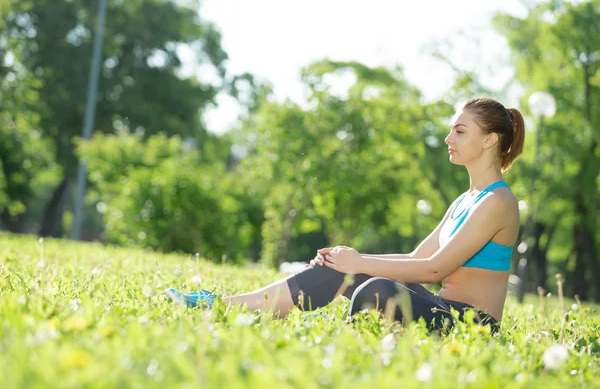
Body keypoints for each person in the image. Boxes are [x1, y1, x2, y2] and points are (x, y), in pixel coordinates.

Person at [166, 97, 525, 333]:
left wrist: (360, 262)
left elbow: (434, 270)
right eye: (451, 129)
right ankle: (229, 306)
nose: (448, 137)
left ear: (490, 140)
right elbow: (416, 258)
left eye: (459, 131)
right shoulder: (466, 198)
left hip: (471, 324)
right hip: (440, 306)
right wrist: (350, 261)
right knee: (344, 270)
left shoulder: (498, 202)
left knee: (376, 289)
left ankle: (334, 322)